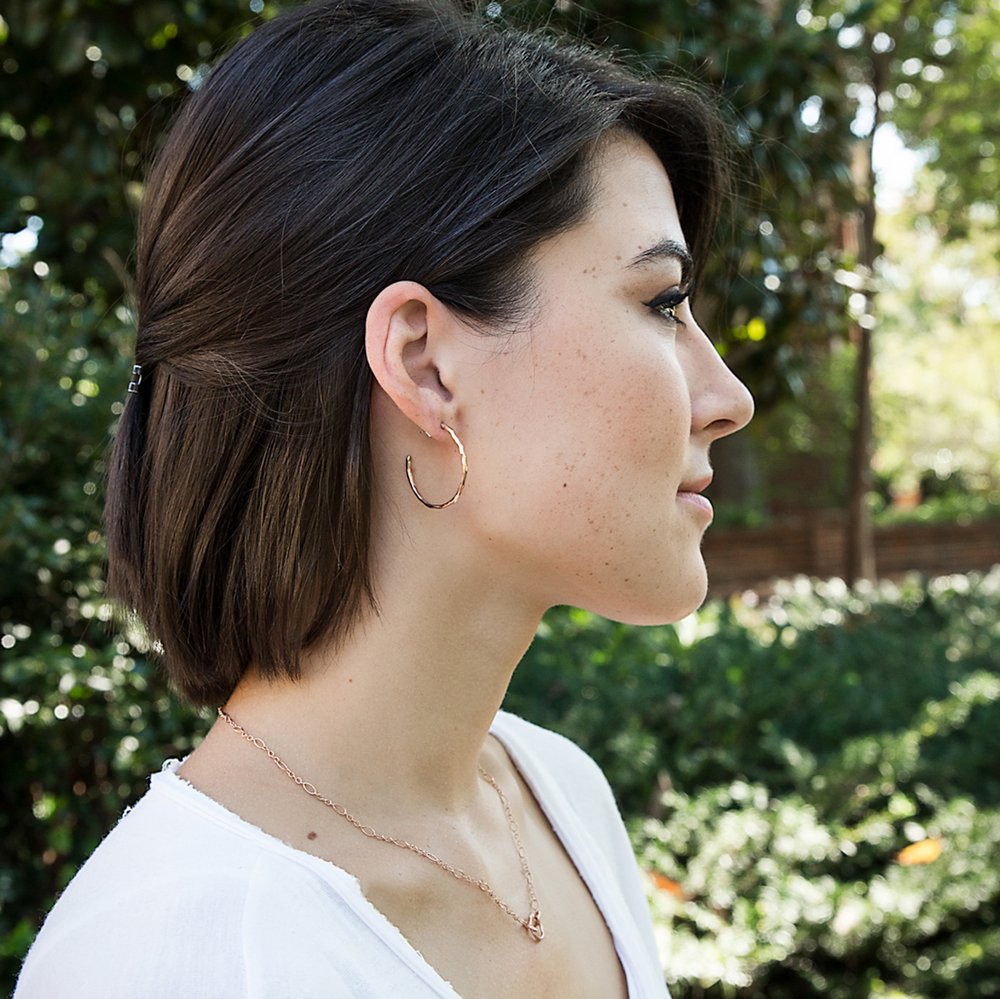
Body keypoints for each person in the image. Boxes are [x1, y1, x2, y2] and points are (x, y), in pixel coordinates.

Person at [15, 0, 753, 996]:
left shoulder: (558, 801)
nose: (727, 398)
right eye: (660, 304)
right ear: (423, 363)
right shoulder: (180, 956)